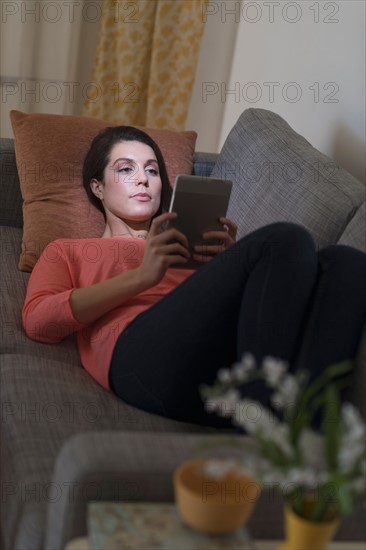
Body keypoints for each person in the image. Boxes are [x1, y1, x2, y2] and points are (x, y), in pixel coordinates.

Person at [22, 126, 366, 428]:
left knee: (347, 263)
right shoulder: (68, 250)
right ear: (97, 187)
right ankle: (265, 429)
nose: (143, 179)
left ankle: (306, 432)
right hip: (140, 361)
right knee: (285, 238)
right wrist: (142, 277)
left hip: (221, 364)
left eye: (152, 170)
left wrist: (234, 262)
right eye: (126, 169)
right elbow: (39, 322)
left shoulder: (188, 245)